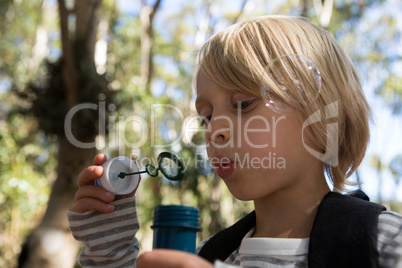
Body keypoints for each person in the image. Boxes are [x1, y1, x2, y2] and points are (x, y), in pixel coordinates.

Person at [68, 15, 402, 268]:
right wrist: (108, 248)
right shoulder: (210, 253)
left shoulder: (382, 240)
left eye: (243, 104)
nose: (215, 131)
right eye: (207, 117)